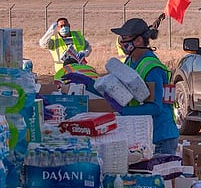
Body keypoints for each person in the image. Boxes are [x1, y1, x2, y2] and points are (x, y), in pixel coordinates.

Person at [63, 18, 179, 155]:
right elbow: (114, 90)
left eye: (125, 39)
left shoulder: (152, 68)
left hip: (161, 136)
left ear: (138, 41)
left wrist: (123, 111)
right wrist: (88, 83)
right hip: (145, 132)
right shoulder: (130, 62)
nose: (121, 43)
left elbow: (155, 107)